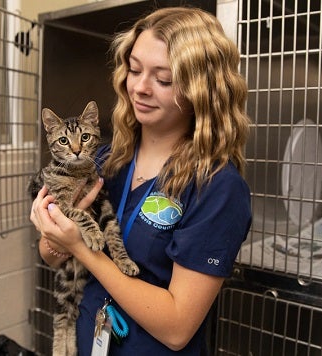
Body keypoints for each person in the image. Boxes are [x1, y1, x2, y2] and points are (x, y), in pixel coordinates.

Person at [30, 6, 251, 355]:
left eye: (163, 79)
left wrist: (80, 248)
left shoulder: (217, 187)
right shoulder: (103, 160)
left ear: (201, 90)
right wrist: (52, 234)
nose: (140, 88)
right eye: (134, 70)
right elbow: (51, 256)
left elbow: (178, 328)